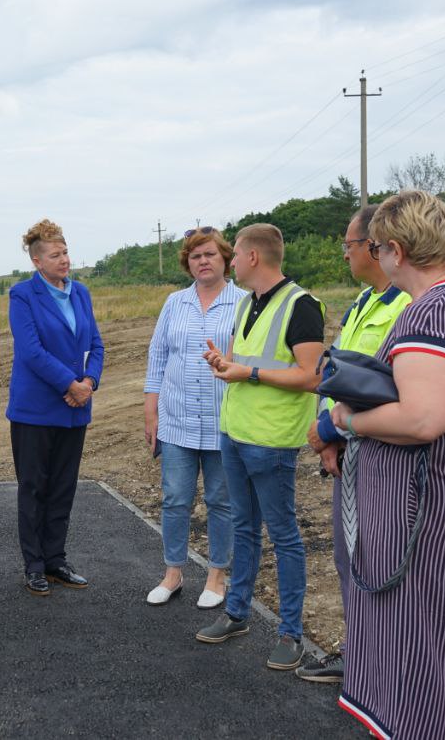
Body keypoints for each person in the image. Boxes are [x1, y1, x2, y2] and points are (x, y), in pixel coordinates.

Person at [329, 190, 445, 738]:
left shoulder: (434, 311)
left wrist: (349, 422)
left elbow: (424, 419)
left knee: (424, 657)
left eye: (378, 247)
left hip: (428, 518)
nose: (377, 258)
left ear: (397, 251)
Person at [196, 223, 324, 673]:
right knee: (245, 530)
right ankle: (237, 613)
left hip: (271, 441)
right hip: (235, 433)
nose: (229, 263)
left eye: (235, 256)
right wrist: (225, 364)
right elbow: (245, 362)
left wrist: (246, 374)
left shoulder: (301, 305)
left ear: (252, 257)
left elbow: (312, 375)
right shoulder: (247, 303)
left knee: (284, 536)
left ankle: (290, 634)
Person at [296, 205, 410, 685]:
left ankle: (387, 665)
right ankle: (360, 655)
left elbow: (392, 391)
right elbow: (337, 372)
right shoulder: (364, 301)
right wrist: (327, 435)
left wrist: (332, 430)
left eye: (349, 244)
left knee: (382, 559)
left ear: (376, 246)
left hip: (382, 455)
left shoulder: (408, 306)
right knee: (350, 557)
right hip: (347, 452)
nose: (344, 253)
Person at [142, 227, 245, 608]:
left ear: (225, 259)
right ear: (188, 263)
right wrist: (151, 412)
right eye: (195, 256)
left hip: (224, 423)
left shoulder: (244, 302)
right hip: (177, 421)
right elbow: (158, 358)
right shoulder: (174, 303)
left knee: (221, 501)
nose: (202, 261)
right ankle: (173, 572)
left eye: (210, 255)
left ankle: (217, 576)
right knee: (175, 499)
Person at [6, 219, 105, 596]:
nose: (64, 259)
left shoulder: (80, 292)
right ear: (36, 260)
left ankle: (55, 559)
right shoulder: (22, 295)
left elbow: (96, 343)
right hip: (36, 409)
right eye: (55, 254)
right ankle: (33, 564)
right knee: (34, 487)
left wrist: (89, 383)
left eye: (65, 252)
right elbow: (31, 352)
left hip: (74, 408)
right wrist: (70, 384)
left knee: (63, 488)